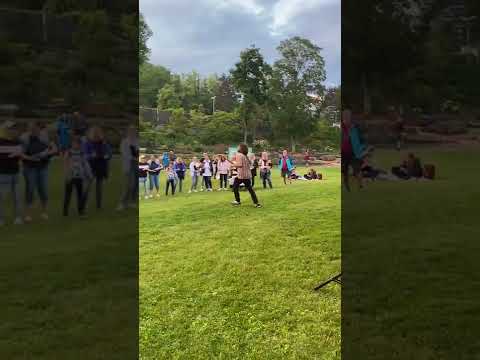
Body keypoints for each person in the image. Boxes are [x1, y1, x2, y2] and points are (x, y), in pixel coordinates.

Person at [22, 121, 57, 222]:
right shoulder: (24, 138)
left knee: (43, 190)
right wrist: (30, 158)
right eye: (31, 128)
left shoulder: (44, 137)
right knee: (30, 190)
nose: (33, 130)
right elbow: (20, 152)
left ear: (38, 128)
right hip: (29, 168)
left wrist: (46, 154)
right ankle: (28, 214)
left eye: (35, 128)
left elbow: (55, 149)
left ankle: (44, 212)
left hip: (43, 168)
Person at [0, 121, 24, 225]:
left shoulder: (18, 141)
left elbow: (19, 156)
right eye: (11, 129)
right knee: (2, 197)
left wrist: (17, 155)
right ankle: (1, 219)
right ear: (6, 130)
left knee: (17, 197)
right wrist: (10, 155)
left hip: (15, 172)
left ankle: (18, 217)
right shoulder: (0, 141)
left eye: (15, 129)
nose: (14, 131)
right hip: (3, 173)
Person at [83, 126, 112, 210]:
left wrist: (107, 156)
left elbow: (109, 153)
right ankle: (83, 204)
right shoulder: (87, 143)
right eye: (94, 133)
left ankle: (99, 205)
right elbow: (84, 155)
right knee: (88, 185)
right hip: (90, 165)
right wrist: (90, 156)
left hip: (101, 165)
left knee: (99, 186)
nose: (96, 135)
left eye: (98, 133)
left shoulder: (104, 143)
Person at [63, 136, 92, 217]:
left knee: (80, 195)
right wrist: (67, 174)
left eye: (77, 144)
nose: (76, 145)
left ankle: (80, 211)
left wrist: (89, 174)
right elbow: (65, 164)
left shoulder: (82, 153)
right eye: (74, 143)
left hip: (79, 176)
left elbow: (85, 164)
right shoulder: (69, 152)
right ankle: (65, 211)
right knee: (68, 194)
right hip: (70, 176)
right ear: (72, 144)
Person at [229, 144, 261, 208]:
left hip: (241, 176)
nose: (237, 147)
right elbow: (249, 164)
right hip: (247, 175)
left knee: (235, 188)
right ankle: (256, 203)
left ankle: (237, 201)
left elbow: (240, 165)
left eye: (238, 146)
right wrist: (234, 163)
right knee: (250, 190)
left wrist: (233, 165)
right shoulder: (245, 156)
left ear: (241, 148)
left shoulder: (239, 155)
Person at [341, 109, 366, 191]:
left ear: (350, 117)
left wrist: (362, 149)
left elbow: (361, 139)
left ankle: (361, 185)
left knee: (357, 170)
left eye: (348, 116)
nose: (346, 118)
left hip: (354, 152)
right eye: (344, 116)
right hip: (344, 152)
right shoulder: (341, 127)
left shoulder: (355, 127)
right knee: (344, 170)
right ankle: (346, 187)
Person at [118, 126, 139, 210]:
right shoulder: (125, 142)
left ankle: (132, 201)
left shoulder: (137, 141)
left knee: (136, 185)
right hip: (129, 164)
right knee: (129, 185)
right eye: (130, 131)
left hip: (137, 164)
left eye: (134, 131)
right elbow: (125, 154)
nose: (132, 132)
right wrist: (134, 158)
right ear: (127, 132)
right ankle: (122, 203)